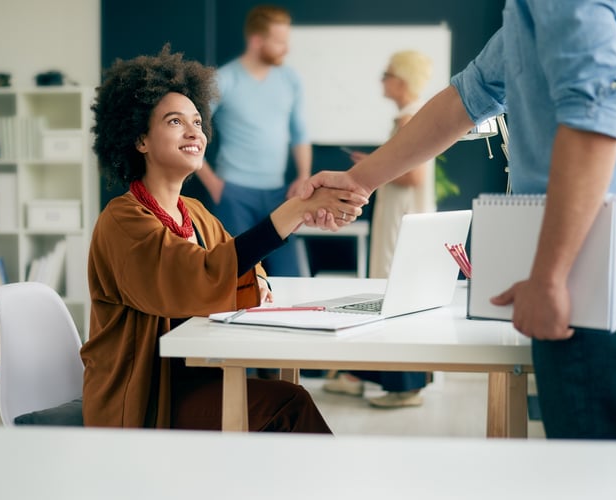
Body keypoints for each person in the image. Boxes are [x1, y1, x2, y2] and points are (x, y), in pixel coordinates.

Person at [303, 2, 616, 439]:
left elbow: (594, 112)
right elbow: (468, 96)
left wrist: (551, 275)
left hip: (603, 258)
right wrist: (358, 180)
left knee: (598, 473)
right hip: (607, 252)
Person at [81, 46, 365, 432]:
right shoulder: (122, 219)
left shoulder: (193, 211)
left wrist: (259, 282)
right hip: (147, 397)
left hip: (199, 380)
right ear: (140, 139)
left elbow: (244, 263)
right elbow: (198, 273)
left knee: (283, 396)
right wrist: (295, 210)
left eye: (197, 121)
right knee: (288, 404)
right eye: (174, 121)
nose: (193, 131)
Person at [323, 50, 435, 408]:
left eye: (386, 74)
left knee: (393, 291)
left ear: (401, 80)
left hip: (401, 219)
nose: (382, 80)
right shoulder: (415, 116)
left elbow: (413, 174)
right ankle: (379, 376)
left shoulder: (409, 118)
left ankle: (402, 385)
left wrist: (373, 166)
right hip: (403, 216)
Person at [196, 4, 311, 278]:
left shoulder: (290, 79)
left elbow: (300, 133)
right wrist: (213, 185)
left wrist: (304, 177)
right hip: (234, 194)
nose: (286, 48)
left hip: (280, 195)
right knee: (237, 277)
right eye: (280, 42)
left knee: (289, 276)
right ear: (257, 41)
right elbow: (191, 130)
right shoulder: (223, 79)